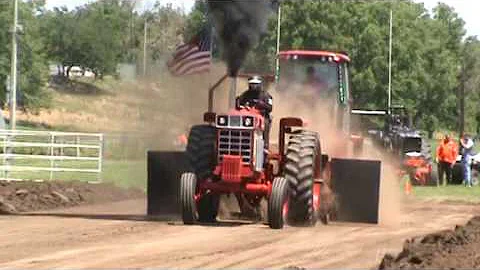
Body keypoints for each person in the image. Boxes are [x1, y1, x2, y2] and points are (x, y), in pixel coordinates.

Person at [236, 75, 273, 149]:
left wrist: (261, 104)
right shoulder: (245, 94)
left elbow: (270, 108)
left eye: (255, 84)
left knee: (265, 123)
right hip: (247, 117)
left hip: (262, 116)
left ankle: (264, 146)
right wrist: (238, 103)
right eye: (252, 84)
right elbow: (239, 103)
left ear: (260, 85)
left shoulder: (266, 95)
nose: (253, 86)